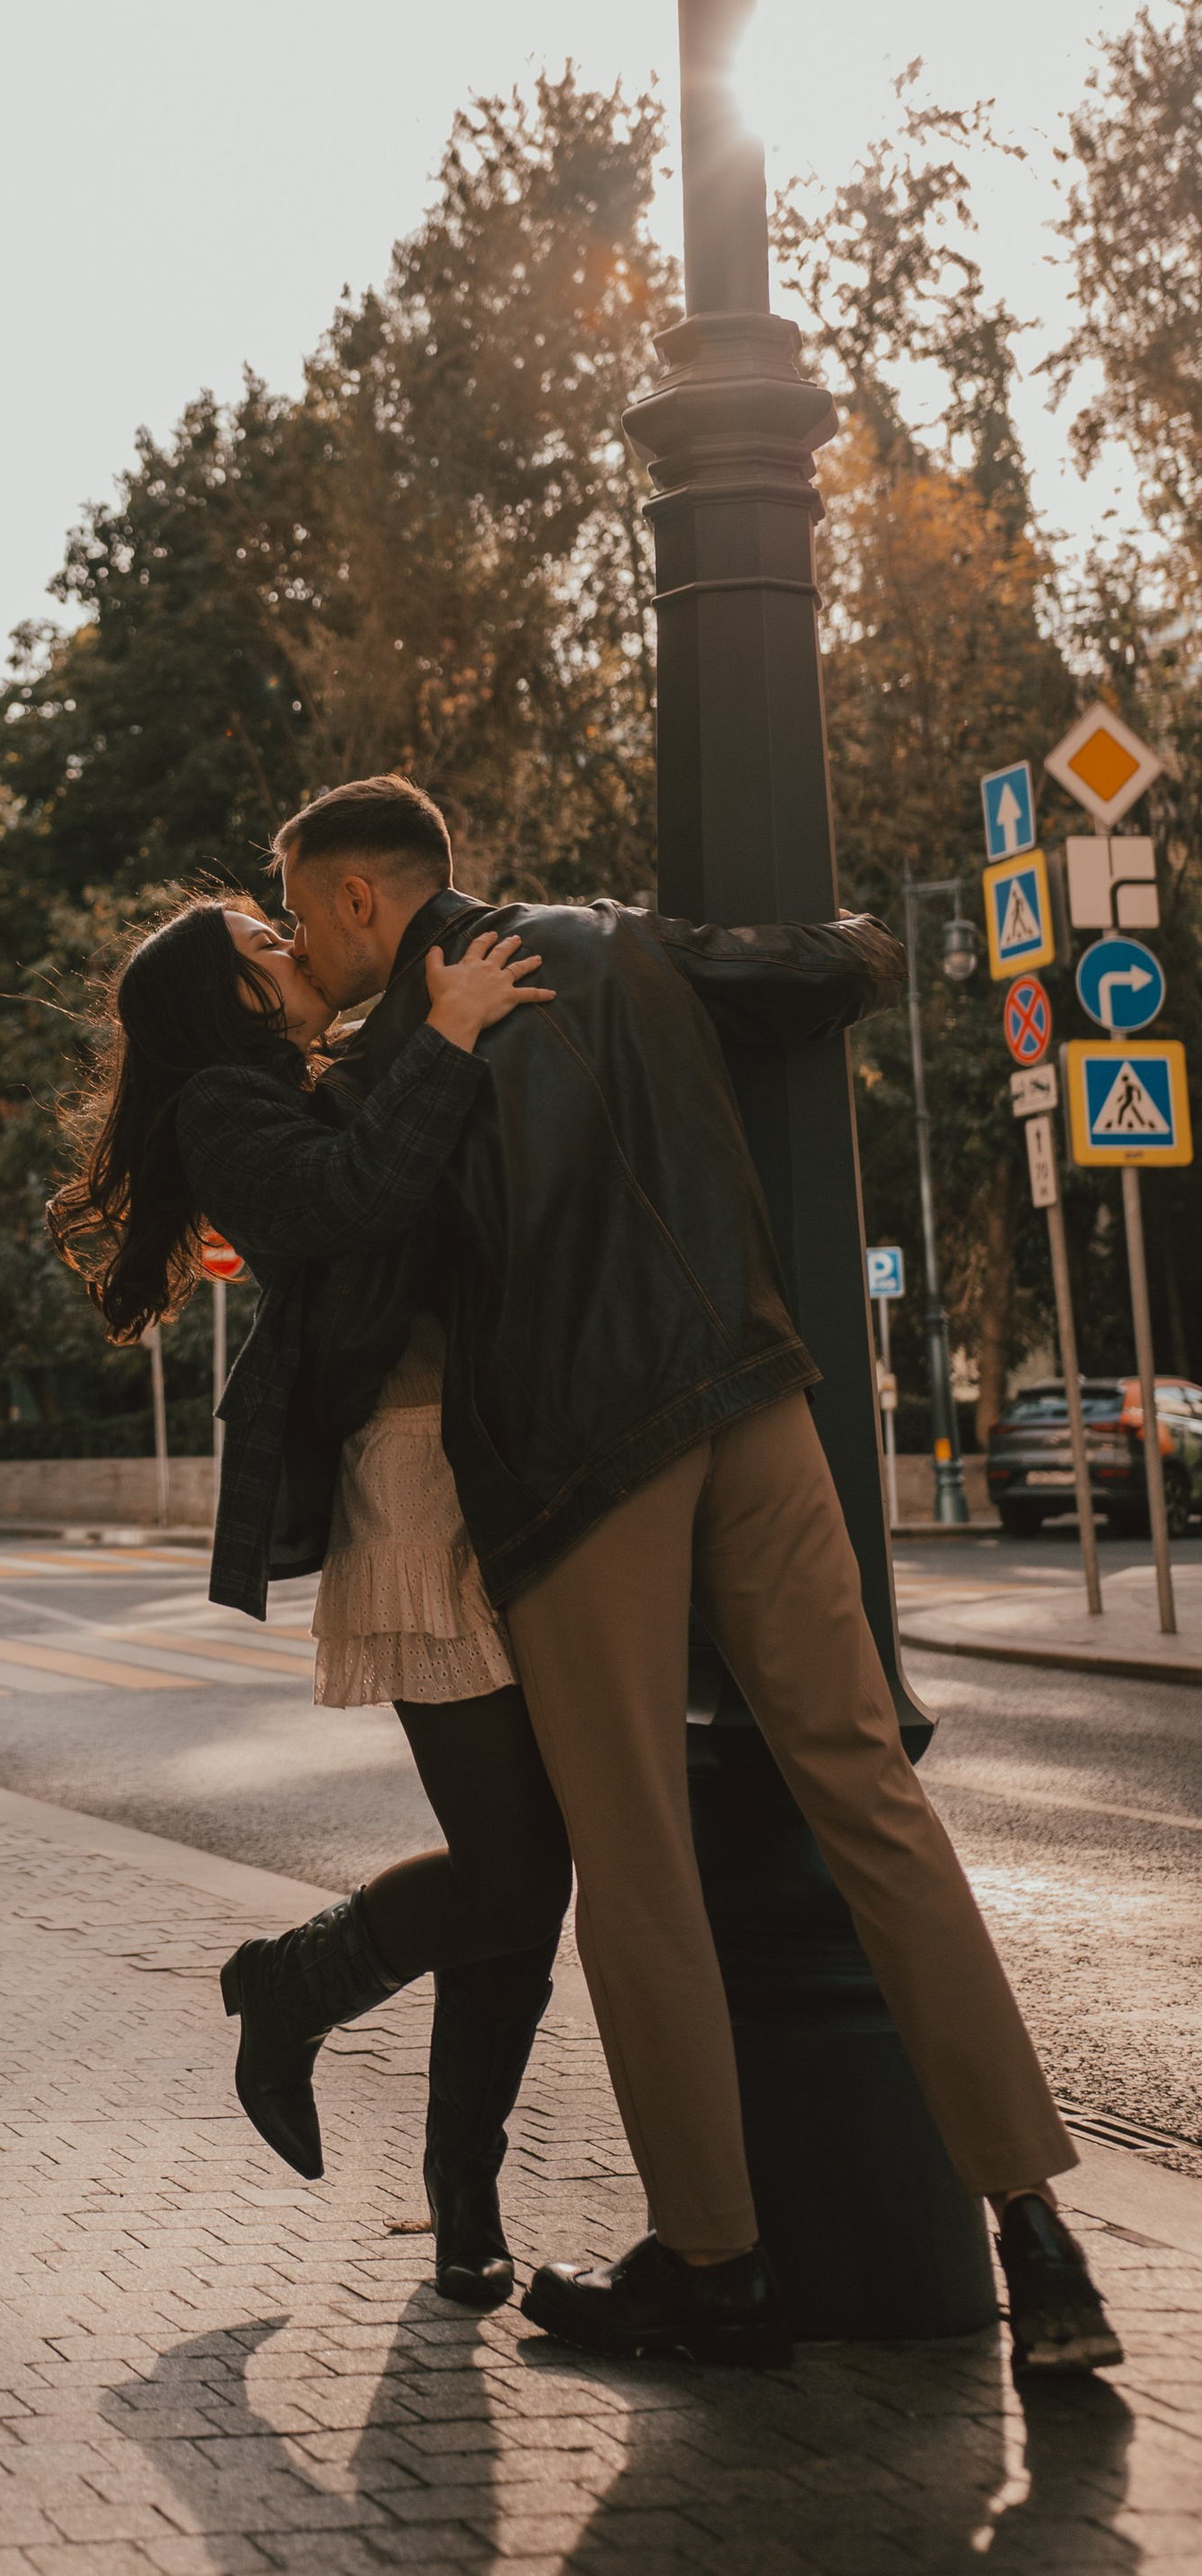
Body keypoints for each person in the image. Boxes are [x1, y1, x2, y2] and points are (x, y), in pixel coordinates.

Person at [261, 772, 1120, 2379]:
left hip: (590, 1467)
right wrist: (832, 935)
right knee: (872, 1796)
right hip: (756, 1399)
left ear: (364, 899)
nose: (299, 943)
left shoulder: (392, 1059)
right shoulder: (608, 940)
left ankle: (712, 2269)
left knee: (636, 1859)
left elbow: (348, 1244)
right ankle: (1040, 2238)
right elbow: (834, 961)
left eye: (302, 913)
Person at [50, 895, 572, 2307]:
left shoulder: (327, 1073)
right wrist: (452, 1034)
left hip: (516, 1473)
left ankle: (464, 2194)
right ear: (230, 995)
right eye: (265, 942)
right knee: (518, 1874)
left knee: (527, 1875)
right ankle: (296, 1988)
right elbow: (354, 1204)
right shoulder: (226, 1110)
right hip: (413, 1493)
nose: (294, 940)